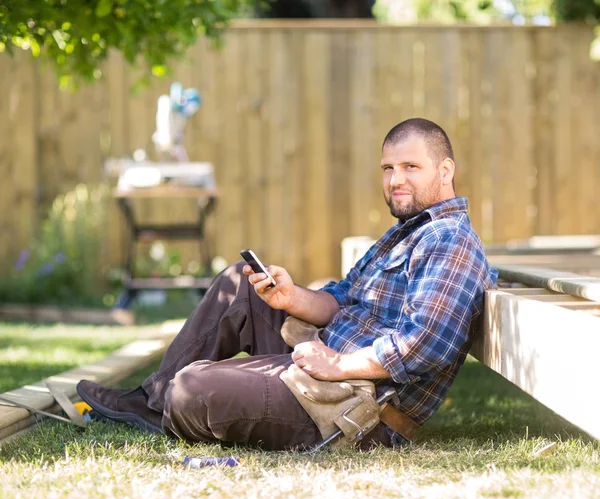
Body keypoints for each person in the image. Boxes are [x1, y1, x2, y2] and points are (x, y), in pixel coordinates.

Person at [77, 118, 498, 450]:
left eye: (410, 167)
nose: (395, 180)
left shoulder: (449, 241)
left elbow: (422, 344)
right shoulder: (406, 232)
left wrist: (337, 365)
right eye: (388, 168)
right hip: (322, 362)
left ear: (446, 170)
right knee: (234, 285)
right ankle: (149, 403)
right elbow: (342, 299)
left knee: (190, 391)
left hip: (354, 405)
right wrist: (291, 296)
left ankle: (162, 402)